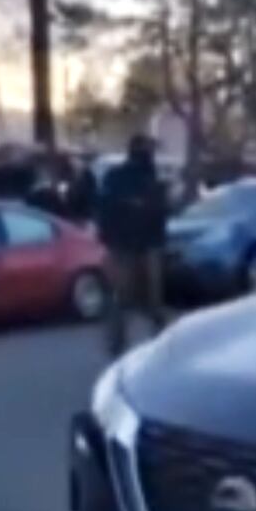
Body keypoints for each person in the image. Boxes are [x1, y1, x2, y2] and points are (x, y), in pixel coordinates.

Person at [97, 135, 168, 357]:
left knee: (136, 297)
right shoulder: (124, 178)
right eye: (147, 149)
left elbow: (159, 212)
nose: (151, 155)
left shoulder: (143, 177)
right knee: (129, 296)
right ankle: (126, 344)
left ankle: (150, 343)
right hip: (129, 244)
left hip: (140, 244)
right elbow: (106, 209)